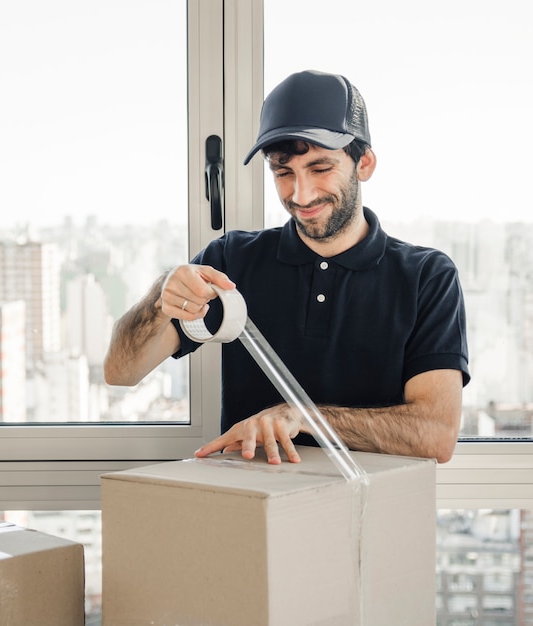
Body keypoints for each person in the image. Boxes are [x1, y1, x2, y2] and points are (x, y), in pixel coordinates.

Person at [104, 70, 470, 465]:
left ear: (363, 163)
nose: (301, 194)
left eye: (320, 168)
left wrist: (303, 417)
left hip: (368, 515)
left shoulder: (426, 278)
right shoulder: (232, 260)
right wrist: (159, 301)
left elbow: (436, 435)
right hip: (251, 512)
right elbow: (121, 372)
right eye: (283, 172)